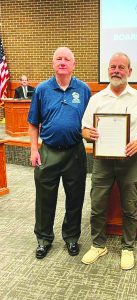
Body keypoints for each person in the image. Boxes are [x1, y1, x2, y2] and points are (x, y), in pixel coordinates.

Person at [81, 52, 137, 270]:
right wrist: (88, 134)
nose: (116, 70)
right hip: (102, 161)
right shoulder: (96, 99)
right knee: (98, 204)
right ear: (108, 70)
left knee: (130, 206)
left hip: (129, 161)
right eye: (113, 67)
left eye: (121, 67)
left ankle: (128, 247)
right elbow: (83, 129)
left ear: (129, 72)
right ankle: (98, 244)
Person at [28, 47, 91, 259]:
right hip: (48, 152)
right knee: (45, 199)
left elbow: (91, 121)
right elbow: (33, 123)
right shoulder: (42, 90)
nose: (62, 62)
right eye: (58, 59)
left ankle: (72, 237)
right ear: (53, 63)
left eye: (67, 59)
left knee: (75, 198)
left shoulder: (83, 89)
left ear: (74, 64)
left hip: (75, 152)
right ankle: (44, 239)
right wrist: (34, 150)